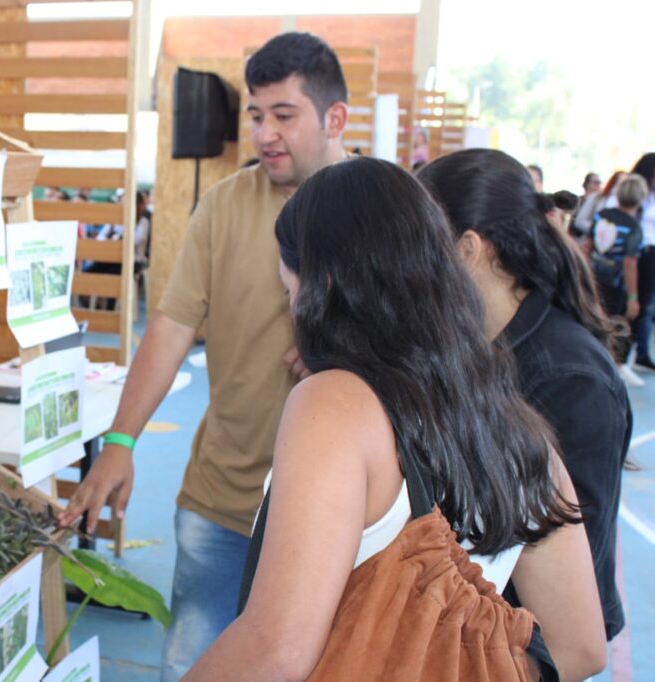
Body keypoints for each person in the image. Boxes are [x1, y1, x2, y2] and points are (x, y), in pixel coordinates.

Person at [187, 156, 606, 681]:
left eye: (289, 288)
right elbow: (582, 647)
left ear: (324, 284)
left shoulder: (336, 405)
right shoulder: (520, 429)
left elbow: (277, 649)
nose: (291, 307)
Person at [58, 31, 349, 680]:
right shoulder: (223, 206)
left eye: (284, 115)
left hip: (338, 518)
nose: (265, 134)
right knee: (193, 666)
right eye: (255, 115)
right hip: (221, 500)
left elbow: (425, 345)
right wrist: (121, 442)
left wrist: (345, 357)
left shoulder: (377, 209)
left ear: (335, 119)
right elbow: (170, 326)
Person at [418, 149, 632, 647]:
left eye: (422, 247)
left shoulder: (570, 380)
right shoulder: (478, 348)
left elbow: (571, 583)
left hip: (532, 650)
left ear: (467, 248)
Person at [583, 174, 648, 386]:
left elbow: (588, 247)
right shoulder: (633, 228)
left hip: (595, 279)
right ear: (641, 198)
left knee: (594, 321)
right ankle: (615, 366)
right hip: (617, 285)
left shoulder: (602, 215)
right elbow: (630, 264)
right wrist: (633, 297)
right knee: (617, 326)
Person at [627, 153, 655, 372]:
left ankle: (638, 353)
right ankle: (624, 355)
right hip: (635, 254)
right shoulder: (632, 194)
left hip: (648, 255)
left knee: (644, 307)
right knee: (632, 304)